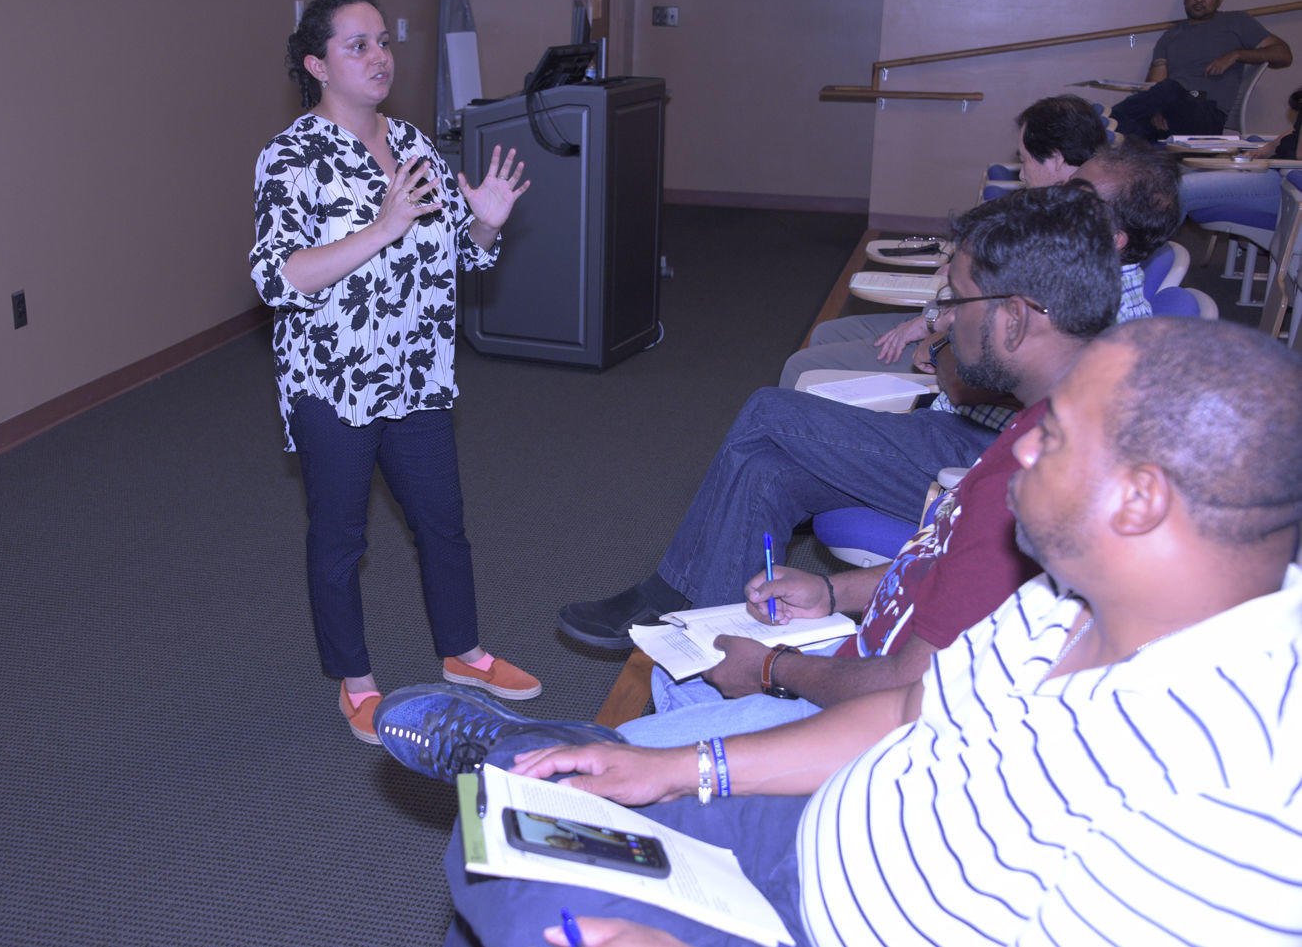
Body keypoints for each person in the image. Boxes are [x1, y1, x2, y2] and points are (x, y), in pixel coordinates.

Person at [376, 315, 1302, 947]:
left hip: (814, 922)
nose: (1017, 448)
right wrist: (684, 770)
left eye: (1053, 435)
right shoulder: (1079, 586)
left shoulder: (1229, 796)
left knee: (510, 870)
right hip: (820, 831)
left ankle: (537, 747)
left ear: (1140, 500)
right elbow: (912, 711)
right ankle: (550, 753)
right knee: (523, 815)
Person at [557, 150, 1179, 650]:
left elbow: (963, 380)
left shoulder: (1100, 322)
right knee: (766, 469)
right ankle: (715, 636)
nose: (1064, 191)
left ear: (1118, 238)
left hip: (969, 453)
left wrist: (942, 345)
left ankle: (675, 597)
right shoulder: (1075, 288)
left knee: (768, 411)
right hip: (957, 431)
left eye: (1082, 195)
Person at [615, 182, 1121, 747]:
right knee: (679, 674)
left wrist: (770, 670)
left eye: (955, 301)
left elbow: (908, 692)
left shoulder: (1035, 476)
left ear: (1016, 321)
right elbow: (953, 567)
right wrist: (835, 594)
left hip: (883, 718)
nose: (945, 320)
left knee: (623, 753)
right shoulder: (1056, 417)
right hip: (880, 656)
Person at [248, 0, 538, 744]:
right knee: (341, 538)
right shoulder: (289, 158)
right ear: (317, 64)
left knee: (444, 524)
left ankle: (464, 653)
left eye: (383, 42)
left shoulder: (412, 143)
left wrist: (484, 223)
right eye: (359, 46)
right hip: (334, 384)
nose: (381, 58)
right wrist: (381, 227)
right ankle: (357, 680)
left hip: (416, 375)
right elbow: (281, 278)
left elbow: (449, 260)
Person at [779, 94, 1109, 389]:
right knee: (824, 334)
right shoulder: (1064, 208)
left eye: (1024, 160)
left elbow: (1000, 324)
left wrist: (931, 328)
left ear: (1055, 158)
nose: (1021, 174)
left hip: (959, 349)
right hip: (953, 325)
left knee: (801, 366)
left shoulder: (1068, 230)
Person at [1112, 0, 1292, 143]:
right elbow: (1154, 88)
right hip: (1169, 113)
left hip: (1206, 115)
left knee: (1170, 89)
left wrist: (1237, 55)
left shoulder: (1237, 22)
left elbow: (1283, 54)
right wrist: (1156, 111)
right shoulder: (1169, 37)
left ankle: (1103, 121)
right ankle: (1100, 129)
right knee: (1129, 132)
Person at [1180, 84, 1302, 225]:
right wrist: (1268, 148)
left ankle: (1157, 245)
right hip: (1278, 171)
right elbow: (1294, 130)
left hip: (1289, 187)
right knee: (1172, 184)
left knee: (1181, 190)